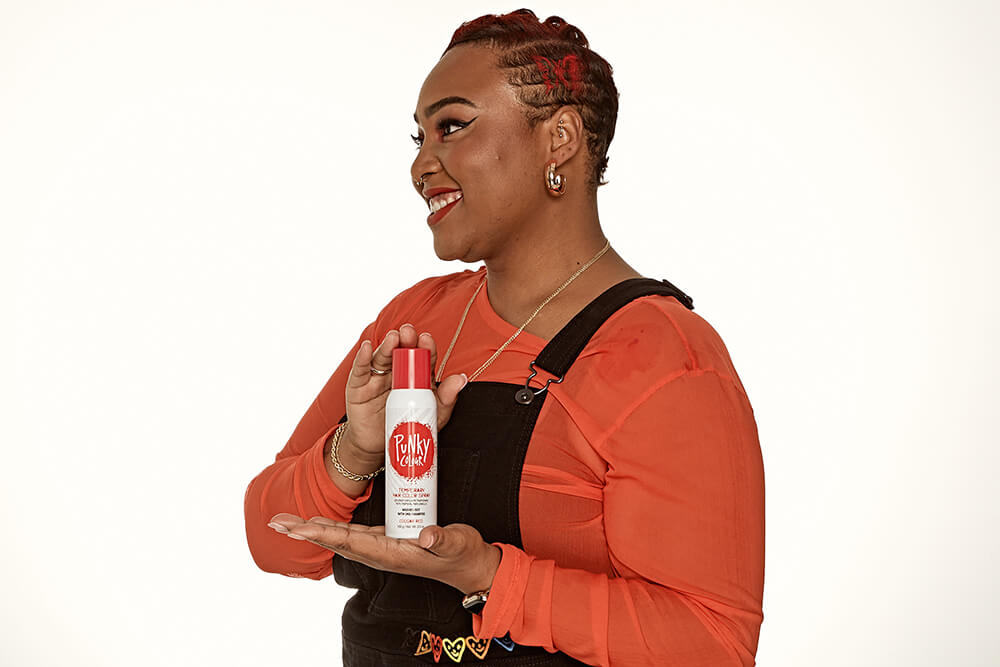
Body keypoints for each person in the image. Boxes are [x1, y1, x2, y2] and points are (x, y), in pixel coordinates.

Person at [244, 9, 764, 666]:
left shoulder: (662, 356)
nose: (420, 166)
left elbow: (712, 645)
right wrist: (356, 447)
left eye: (452, 127)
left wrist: (490, 576)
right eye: (418, 138)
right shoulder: (415, 321)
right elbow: (276, 540)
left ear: (561, 138)